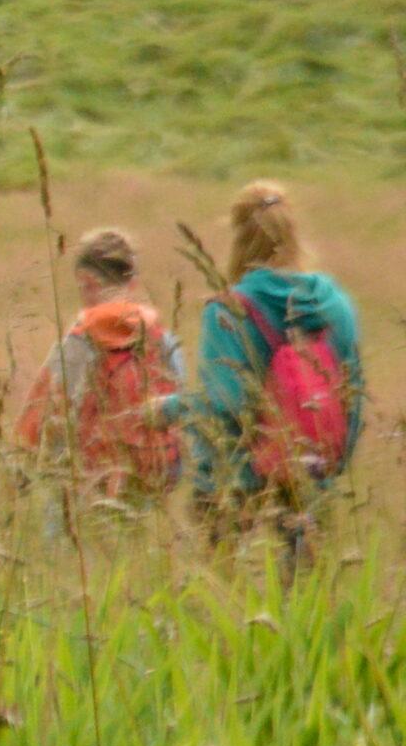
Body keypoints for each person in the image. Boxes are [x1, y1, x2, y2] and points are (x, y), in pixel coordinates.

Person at [147, 182, 364, 555]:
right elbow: (352, 396)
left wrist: (166, 409)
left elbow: (225, 404)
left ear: (238, 236)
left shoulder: (230, 309)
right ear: (292, 232)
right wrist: (331, 466)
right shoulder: (335, 305)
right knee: (308, 597)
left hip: (234, 482)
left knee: (223, 596)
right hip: (311, 475)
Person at [12, 228, 185, 509]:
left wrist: (20, 468)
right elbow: (181, 399)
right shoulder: (160, 337)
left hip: (90, 480)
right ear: (133, 282)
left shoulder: (81, 339)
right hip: (152, 474)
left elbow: (42, 409)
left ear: (87, 281)